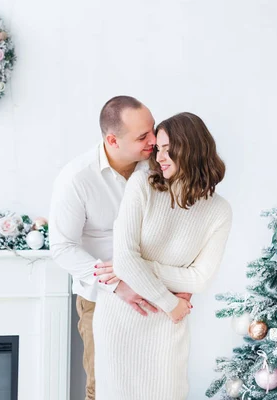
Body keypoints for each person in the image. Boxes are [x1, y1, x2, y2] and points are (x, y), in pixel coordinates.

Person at [93, 112, 232, 400]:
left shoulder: (219, 210)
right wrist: (169, 302)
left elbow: (200, 278)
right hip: (123, 317)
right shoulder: (142, 185)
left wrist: (134, 267)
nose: (160, 157)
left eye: (169, 149)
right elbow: (125, 259)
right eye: (158, 149)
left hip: (168, 330)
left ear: (192, 149)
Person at [49, 96, 162, 400]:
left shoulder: (158, 165)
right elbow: (61, 246)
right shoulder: (76, 178)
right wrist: (117, 285)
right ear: (113, 140)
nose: (154, 140)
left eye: (152, 130)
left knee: (152, 387)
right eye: (143, 136)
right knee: (102, 389)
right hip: (100, 300)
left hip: (156, 296)